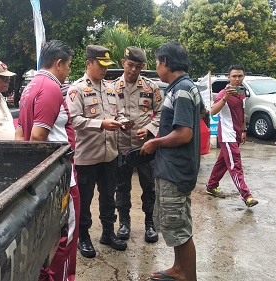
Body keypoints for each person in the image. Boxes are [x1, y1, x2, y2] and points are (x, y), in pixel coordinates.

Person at [15, 40, 80, 281]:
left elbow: (20, 134)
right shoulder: (51, 87)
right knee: (66, 235)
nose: (68, 72)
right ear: (59, 63)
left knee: (45, 237)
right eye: (68, 66)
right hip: (60, 178)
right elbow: (38, 137)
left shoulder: (30, 86)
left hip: (43, 178)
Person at [140, 42, 202, 281]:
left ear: (166, 62)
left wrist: (154, 143)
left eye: (157, 62)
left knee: (179, 226)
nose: (156, 67)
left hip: (175, 171)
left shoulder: (183, 89)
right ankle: (179, 269)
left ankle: (189, 276)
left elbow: (184, 133)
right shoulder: (184, 87)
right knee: (174, 223)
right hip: (174, 169)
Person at [66, 45, 131, 259]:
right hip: (87, 156)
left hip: (109, 154)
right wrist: (101, 124)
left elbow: (118, 113)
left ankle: (108, 233)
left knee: (108, 196)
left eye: (106, 66)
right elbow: (73, 120)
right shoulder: (76, 90)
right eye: (100, 65)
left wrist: (123, 122)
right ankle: (83, 237)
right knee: (85, 199)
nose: (104, 70)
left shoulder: (111, 88)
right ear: (88, 64)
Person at [113, 46, 162, 243]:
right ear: (123, 63)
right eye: (130, 65)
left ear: (143, 66)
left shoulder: (151, 87)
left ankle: (150, 224)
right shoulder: (112, 88)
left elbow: (161, 114)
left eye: (137, 66)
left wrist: (150, 128)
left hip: (145, 147)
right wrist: (119, 122)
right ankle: (124, 223)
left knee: (149, 187)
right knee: (122, 186)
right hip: (121, 145)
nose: (133, 70)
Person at [205, 64, 259, 208]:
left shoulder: (242, 92)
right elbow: (213, 112)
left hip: (236, 134)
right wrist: (225, 98)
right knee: (235, 165)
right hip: (227, 135)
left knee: (223, 162)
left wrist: (244, 130)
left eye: (240, 76)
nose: (237, 79)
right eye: (234, 76)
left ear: (243, 77)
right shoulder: (224, 93)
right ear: (228, 78)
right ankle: (247, 196)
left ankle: (211, 186)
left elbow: (242, 113)